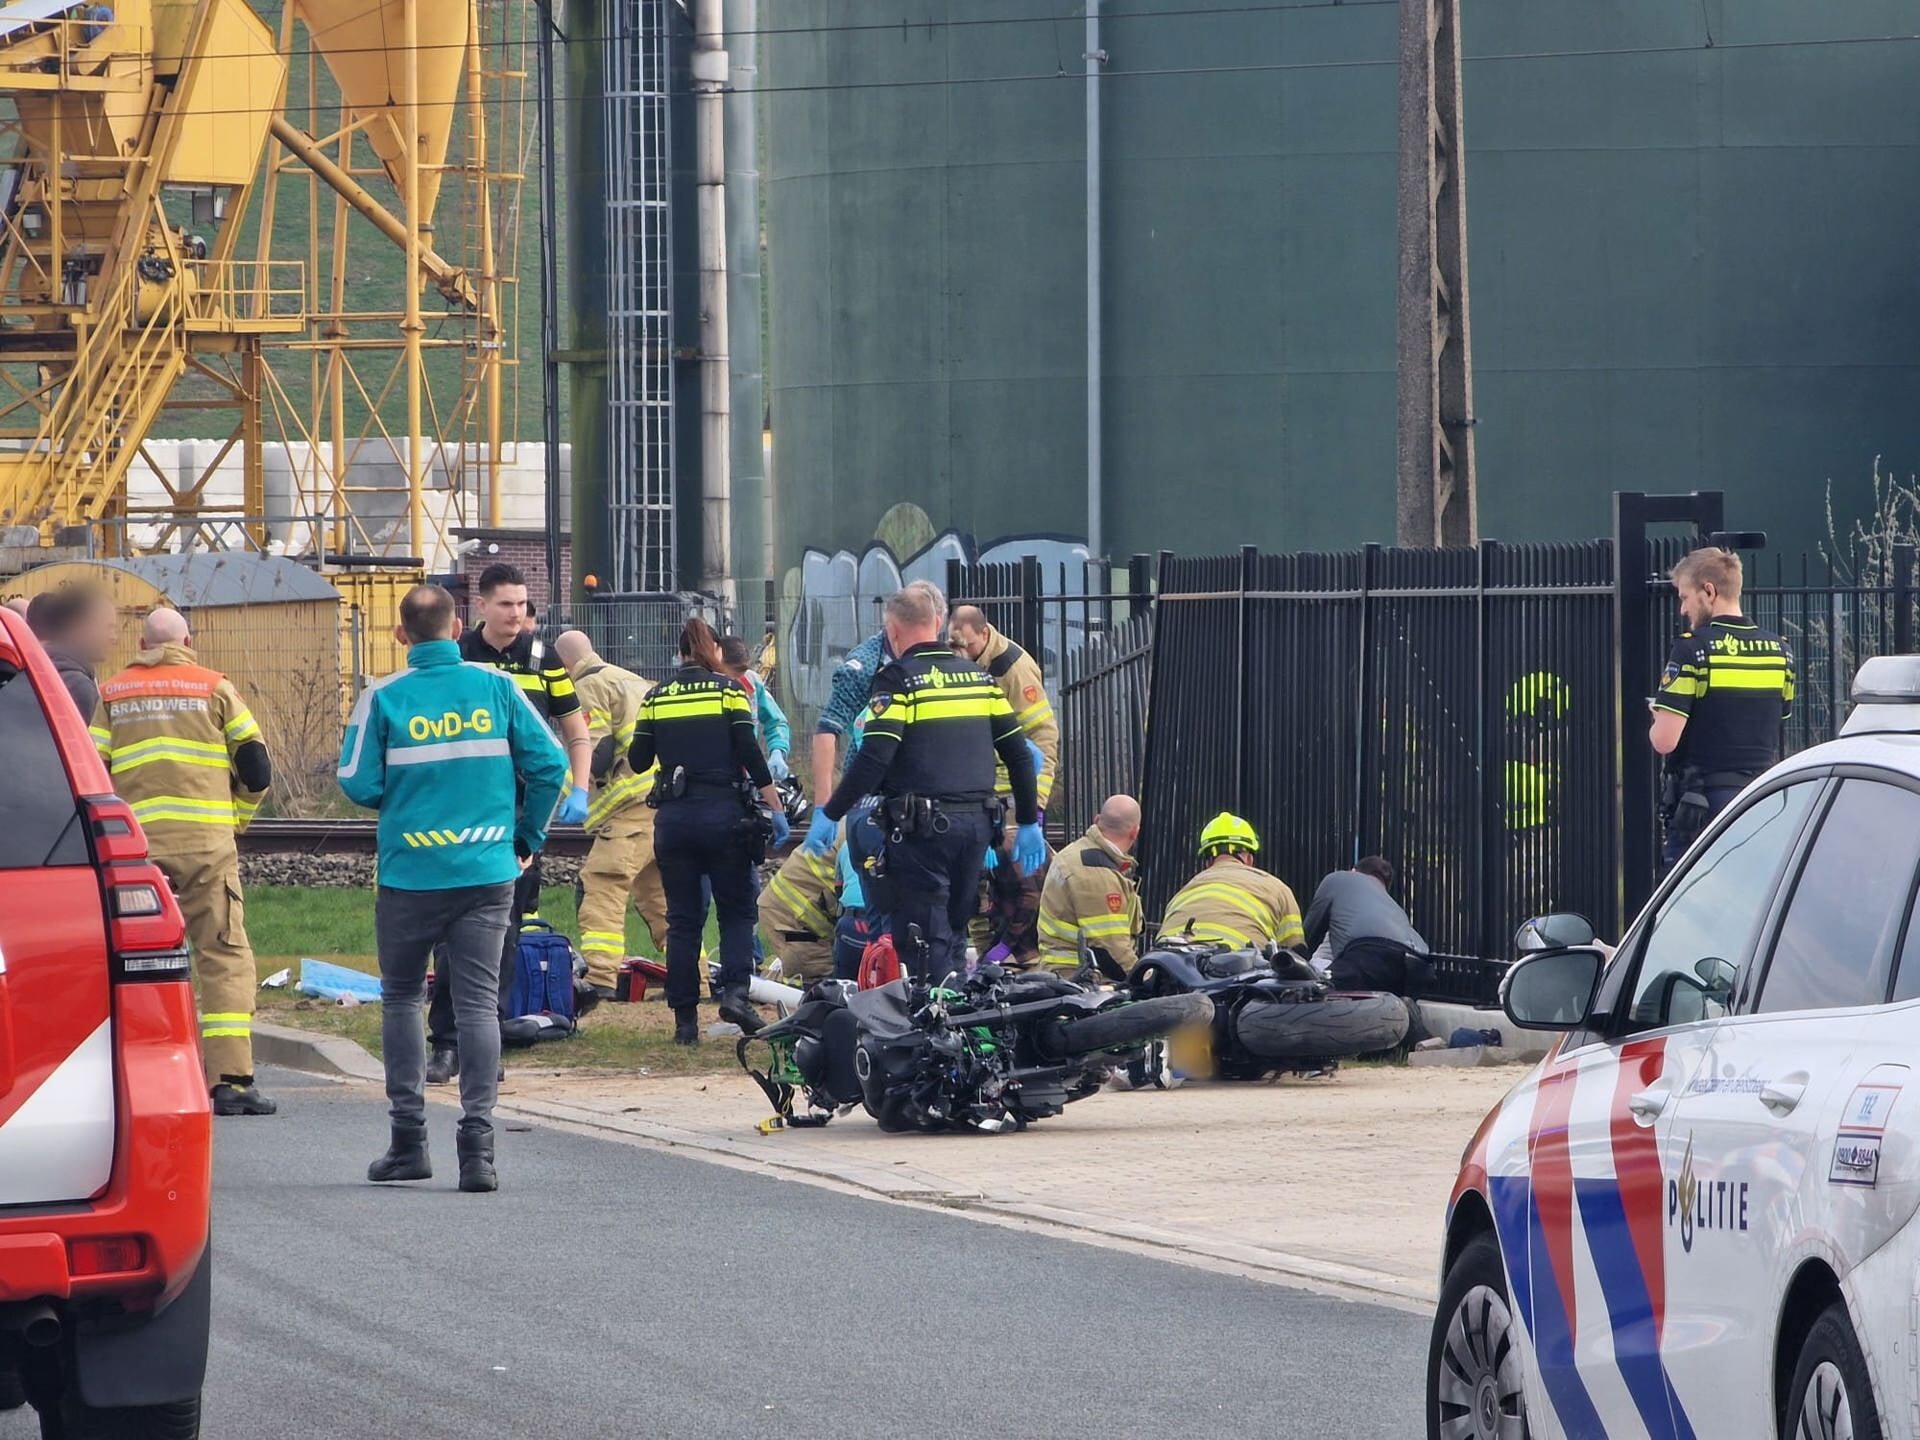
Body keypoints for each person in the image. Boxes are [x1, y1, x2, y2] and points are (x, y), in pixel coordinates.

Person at [337, 584, 569, 1193]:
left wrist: (407, 795)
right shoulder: (498, 689)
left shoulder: (381, 697)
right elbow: (551, 767)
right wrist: (525, 839)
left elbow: (356, 783)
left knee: (401, 999)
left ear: (400, 635)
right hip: (488, 872)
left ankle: (408, 1141)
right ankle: (478, 1151)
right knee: (477, 1003)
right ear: (458, 624)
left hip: (409, 876)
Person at [802, 583, 1044, 984]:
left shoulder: (897, 680)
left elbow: (874, 759)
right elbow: (1020, 754)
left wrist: (830, 812)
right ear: (937, 622)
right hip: (978, 829)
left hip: (923, 833)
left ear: (893, 632)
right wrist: (1032, 821)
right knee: (954, 930)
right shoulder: (977, 679)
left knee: (921, 939)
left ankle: (930, 1032)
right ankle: (961, 1022)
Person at [92, 608, 276, 1116]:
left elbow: (92, 774)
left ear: (143, 643)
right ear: (188, 641)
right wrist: (235, 818)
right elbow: (256, 766)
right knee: (223, 955)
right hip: (206, 848)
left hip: (134, 856)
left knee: (129, 962)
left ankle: (134, 1080)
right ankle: (232, 1083)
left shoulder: (112, 693)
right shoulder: (213, 687)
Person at [425, 564, 591, 1083]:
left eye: (522, 604)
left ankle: (485, 1043)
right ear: (481, 608)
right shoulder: (460, 659)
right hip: (461, 811)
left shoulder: (544, 660)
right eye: (506, 604)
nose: (516, 613)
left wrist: (580, 788)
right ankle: (446, 1042)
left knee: (505, 931)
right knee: (451, 931)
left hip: (519, 816)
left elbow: (576, 731)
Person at [628, 617, 790, 1045]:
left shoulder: (656, 697)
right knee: (736, 913)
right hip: (726, 818)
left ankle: (685, 1024)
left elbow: (640, 758)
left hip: (675, 822)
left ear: (679, 654)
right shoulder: (730, 692)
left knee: (683, 920)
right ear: (715, 651)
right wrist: (773, 804)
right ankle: (736, 994)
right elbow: (749, 751)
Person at [1649, 547, 1794, 870]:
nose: (1684, 608)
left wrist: (1657, 717)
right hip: (1761, 802)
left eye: (1685, 597)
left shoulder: (1692, 650)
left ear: (1709, 591)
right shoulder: (1780, 652)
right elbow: (1780, 718)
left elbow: (1665, 740)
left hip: (1700, 807)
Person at [553, 628, 667, 1008]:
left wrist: (568, 789)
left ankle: (600, 979)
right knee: (662, 900)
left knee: (602, 884)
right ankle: (694, 979)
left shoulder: (588, 686)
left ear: (566, 665)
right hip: (658, 803)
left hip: (628, 806)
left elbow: (596, 753)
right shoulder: (632, 681)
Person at [806, 579, 945, 804]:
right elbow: (828, 728)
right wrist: (825, 804)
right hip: (873, 791)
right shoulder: (863, 666)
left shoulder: (948, 665)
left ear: (936, 625)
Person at [1158, 813, 1305, 953]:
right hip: (1238, 973)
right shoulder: (1277, 889)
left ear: (1208, 862)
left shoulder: (1181, 895)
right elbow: (1293, 955)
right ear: (1249, 859)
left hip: (1168, 967)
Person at [1036, 795, 1142, 978]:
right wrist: (1145, 980)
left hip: (1065, 977)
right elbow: (1111, 949)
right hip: (1080, 979)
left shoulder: (1076, 854)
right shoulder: (1096, 871)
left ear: (1097, 820)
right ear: (1135, 832)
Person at [1303, 857, 1429, 993]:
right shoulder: (1389, 902)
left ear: (1353, 871)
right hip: (1418, 964)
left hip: (1368, 956)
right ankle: (1405, 1002)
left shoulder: (1337, 879)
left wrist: (1292, 962)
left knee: (1320, 992)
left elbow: (1309, 934)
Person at [26, 583, 117, 718]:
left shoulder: (40, 669)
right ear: (78, 626)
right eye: (107, 628)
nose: (113, 637)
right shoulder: (77, 686)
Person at [758, 842, 841, 982]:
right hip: (789, 918)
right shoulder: (866, 838)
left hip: (799, 910)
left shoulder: (857, 827)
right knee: (819, 979)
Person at [720, 634, 791, 781]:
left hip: (748, 773)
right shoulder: (708, 686)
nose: (735, 682)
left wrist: (778, 751)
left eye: (741, 674)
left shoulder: (752, 682)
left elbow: (776, 721)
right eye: (732, 676)